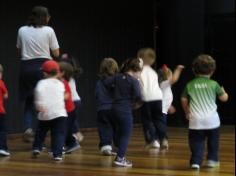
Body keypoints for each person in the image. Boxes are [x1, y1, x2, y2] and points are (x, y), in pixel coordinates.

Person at [16, 6, 60, 142]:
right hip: (43, 67)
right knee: (47, 101)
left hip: (26, 67)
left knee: (30, 101)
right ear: (44, 17)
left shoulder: (22, 30)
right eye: (48, 16)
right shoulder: (49, 30)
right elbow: (56, 53)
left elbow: (19, 51)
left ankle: (28, 128)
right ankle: (46, 134)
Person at [181, 54, 229, 169]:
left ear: (193, 70)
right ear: (212, 70)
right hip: (212, 121)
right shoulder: (214, 84)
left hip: (195, 120)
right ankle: (212, 160)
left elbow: (183, 99)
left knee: (196, 142)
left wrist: (187, 111)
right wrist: (224, 92)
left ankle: (195, 162)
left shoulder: (190, 84)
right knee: (213, 141)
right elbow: (224, 98)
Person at [104, 58, 143, 167]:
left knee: (119, 132)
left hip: (113, 109)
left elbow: (106, 83)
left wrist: (114, 91)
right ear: (136, 69)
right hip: (125, 110)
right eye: (140, 72)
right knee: (126, 134)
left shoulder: (117, 77)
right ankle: (120, 158)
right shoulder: (134, 81)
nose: (139, 75)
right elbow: (139, 97)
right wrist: (136, 105)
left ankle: (118, 151)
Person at [32, 60, 67, 161]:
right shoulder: (61, 84)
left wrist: (39, 105)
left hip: (45, 113)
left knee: (41, 132)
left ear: (44, 73)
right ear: (57, 72)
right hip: (60, 113)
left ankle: (37, 148)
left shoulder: (41, 83)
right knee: (58, 134)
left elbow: (38, 92)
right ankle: (57, 154)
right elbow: (62, 95)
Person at [137, 48, 163, 149]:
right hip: (158, 97)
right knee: (158, 120)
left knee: (147, 120)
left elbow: (138, 84)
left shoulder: (140, 70)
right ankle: (162, 138)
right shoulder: (153, 72)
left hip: (146, 98)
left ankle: (152, 140)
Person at [157, 64, 185, 148]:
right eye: (171, 75)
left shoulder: (163, 86)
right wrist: (178, 69)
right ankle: (162, 140)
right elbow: (174, 79)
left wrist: (169, 106)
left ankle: (158, 140)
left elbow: (164, 98)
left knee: (160, 125)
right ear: (168, 76)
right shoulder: (164, 84)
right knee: (161, 126)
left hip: (162, 109)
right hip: (160, 110)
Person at [95, 58, 119, 156]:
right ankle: (118, 145)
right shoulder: (117, 81)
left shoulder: (99, 82)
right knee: (117, 128)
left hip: (103, 109)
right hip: (116, 109)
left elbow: (96, 95)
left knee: (105, 127)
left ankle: (106, 146)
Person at [60, 53, 84, 142]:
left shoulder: (65, 79)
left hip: (72, 102)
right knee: (71, 120)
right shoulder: (71, 77)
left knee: (70, 121)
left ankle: (76, 135)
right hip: (76, 101)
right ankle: (73, 137)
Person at [58, 61, 81, 154]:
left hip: (73, 102)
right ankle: (73, 140)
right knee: (69, 123)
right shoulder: (68, 78)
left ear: (63, 72)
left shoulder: (65, 81)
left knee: (66, 124)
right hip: (75, 102)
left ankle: (66, 144)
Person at [0, 64, 10, 156]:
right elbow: (6, 96)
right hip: (0, 111)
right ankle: (2, 148)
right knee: (2, 130)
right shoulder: (1, 83)